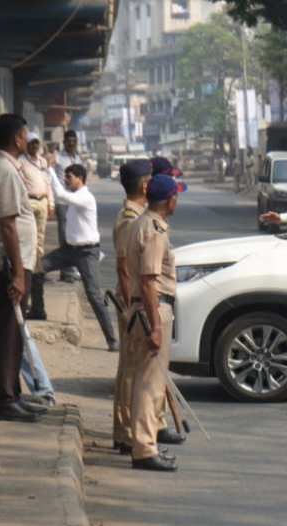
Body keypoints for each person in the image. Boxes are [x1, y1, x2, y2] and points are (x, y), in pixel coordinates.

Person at [0, 112, 43, 422]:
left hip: (8, 262)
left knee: (13, 331)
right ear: (18, 138)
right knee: (6, 332)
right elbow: (8, 225)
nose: (27, 139)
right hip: (6, 264)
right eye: (25, 134)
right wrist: (17, 272)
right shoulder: (3, 170)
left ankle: (12, 393)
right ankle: (4, 398)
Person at [124, 174, 183, 471]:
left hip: (141, 310)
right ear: (170, 200)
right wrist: (156, 326)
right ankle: (145, 449)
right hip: (152, 310)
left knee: (144, 381)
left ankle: (142, 443)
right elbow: (149, 282)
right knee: (150, 384)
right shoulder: (155, 231)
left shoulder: (140, 222)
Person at [43, 162, 121, 351]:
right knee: (38, 267)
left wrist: (50, 170)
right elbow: (60, 198)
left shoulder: (85, 197)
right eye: (66, 177)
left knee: (94, 296)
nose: (67, 181)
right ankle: (38, 310)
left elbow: (61, 195)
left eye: (69, 178)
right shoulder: (75, 198)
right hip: (70, 251)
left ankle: (112, 340)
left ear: (80, 179)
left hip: (87, 253)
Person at [111, 159, 153, 455]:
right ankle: (125, 432)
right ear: (144, 185)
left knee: (135, 368)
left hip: (137, 301)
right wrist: (129, 310)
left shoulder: (139, 214)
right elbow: (124, 269)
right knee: (129, 370)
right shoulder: (130, 218)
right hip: (132, 301)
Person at [19, 132, 52, 320]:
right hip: (29, 203)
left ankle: (37, 305)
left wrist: (51, 202)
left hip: (42, 203)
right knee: (30, 247)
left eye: (36, 144)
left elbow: (47, 182)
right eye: (31, 143)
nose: (34, 146)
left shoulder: (42, 162)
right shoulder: (21, 162)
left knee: (38, 246)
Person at [52, 130, 87, 281]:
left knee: (74, 236)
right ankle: (66, 271)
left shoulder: (78, 159)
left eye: (74, 140)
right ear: (64, 142)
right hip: (63, 202)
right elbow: (50, 178)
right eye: (69, 140)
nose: (71, 143)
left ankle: (69, 269)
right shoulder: (58, 158)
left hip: (76, 202)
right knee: (65, 236)